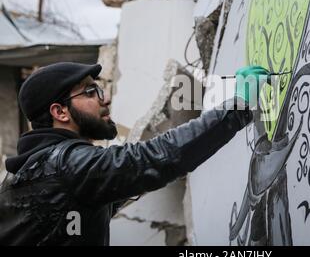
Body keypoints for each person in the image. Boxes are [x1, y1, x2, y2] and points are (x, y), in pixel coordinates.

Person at [0, 62, 270, 245]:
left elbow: (126, 174)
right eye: (91, 91)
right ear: (60, 112)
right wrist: (239, 106)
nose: (105, 99)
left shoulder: (30, 173)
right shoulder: (68, 166)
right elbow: (154, 156)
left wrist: (136, 176)